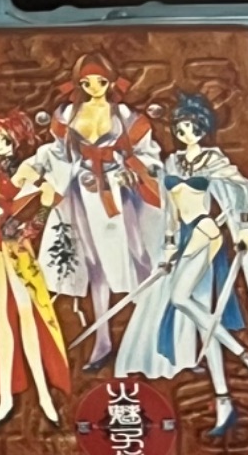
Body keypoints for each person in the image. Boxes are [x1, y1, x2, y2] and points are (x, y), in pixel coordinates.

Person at [115, 91, 248, 438]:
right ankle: (224, 400)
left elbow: (245, 193)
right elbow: (171, 211)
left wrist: (247, 229)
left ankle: (246, 356)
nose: (185, 133)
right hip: (183, 241)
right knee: (204, 320)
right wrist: (167, 250)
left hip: (207, 234)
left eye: (191, 127)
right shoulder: (173, 163)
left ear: (202, 129)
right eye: (180, 128)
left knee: (180, 299)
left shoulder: (213, 159)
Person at [32, 53, 162, 366]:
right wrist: (57, 174)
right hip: (81, 194)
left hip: (118, 196)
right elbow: (56, 154)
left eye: (100, 81)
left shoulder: (123, 115)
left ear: (110, 82)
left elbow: (149, 154)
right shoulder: (67, 114)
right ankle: (103, 340)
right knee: (94, 265)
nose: (94, 88)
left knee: (139, 256)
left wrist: (130, 170)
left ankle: (155, 328)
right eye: (87, 82)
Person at [0, 110, 69, 427]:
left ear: (17, 139)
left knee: (27, 314)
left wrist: (29, 230)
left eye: (4, 139)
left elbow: (48, 201)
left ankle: (44, 395)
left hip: (18, 248)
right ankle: (7, 397)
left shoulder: (29, 171)